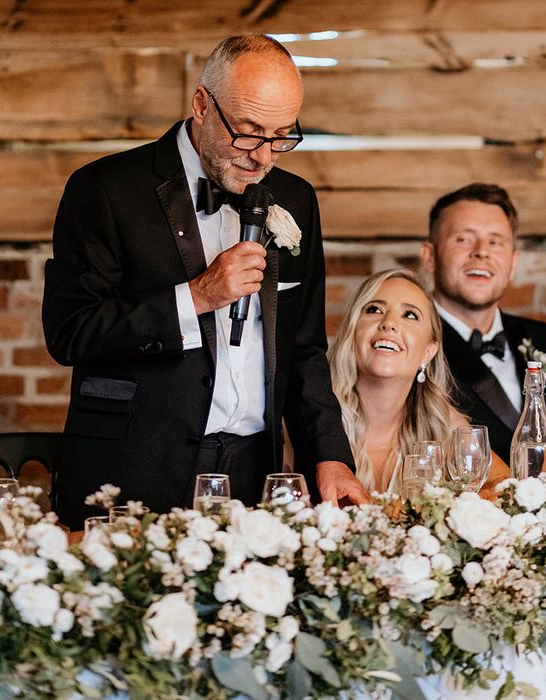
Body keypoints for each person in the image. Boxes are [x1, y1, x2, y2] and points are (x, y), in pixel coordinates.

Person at [42, 34, 368, 529]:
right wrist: (196, 297)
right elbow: (70, 331)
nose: (264, 157)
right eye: (249, 132)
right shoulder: (105, 189)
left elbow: (303, 348)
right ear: (201, 104)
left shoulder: (296, 199)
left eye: (282, 135)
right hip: (135, 470)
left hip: (256, 473)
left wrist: (329, 454)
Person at [420, 183, 546, 466]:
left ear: (513, 262)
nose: (481, 253)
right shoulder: (412, 345)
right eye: (463, 239)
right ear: (429, 256)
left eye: (495, 242)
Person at [328, 268, 509, 494]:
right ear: (352, 333)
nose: (389, 323)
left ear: (428, 351)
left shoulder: (445, 429)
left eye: (410, 315)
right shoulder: (309, 421)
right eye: (374, 309)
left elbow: (508, 490)